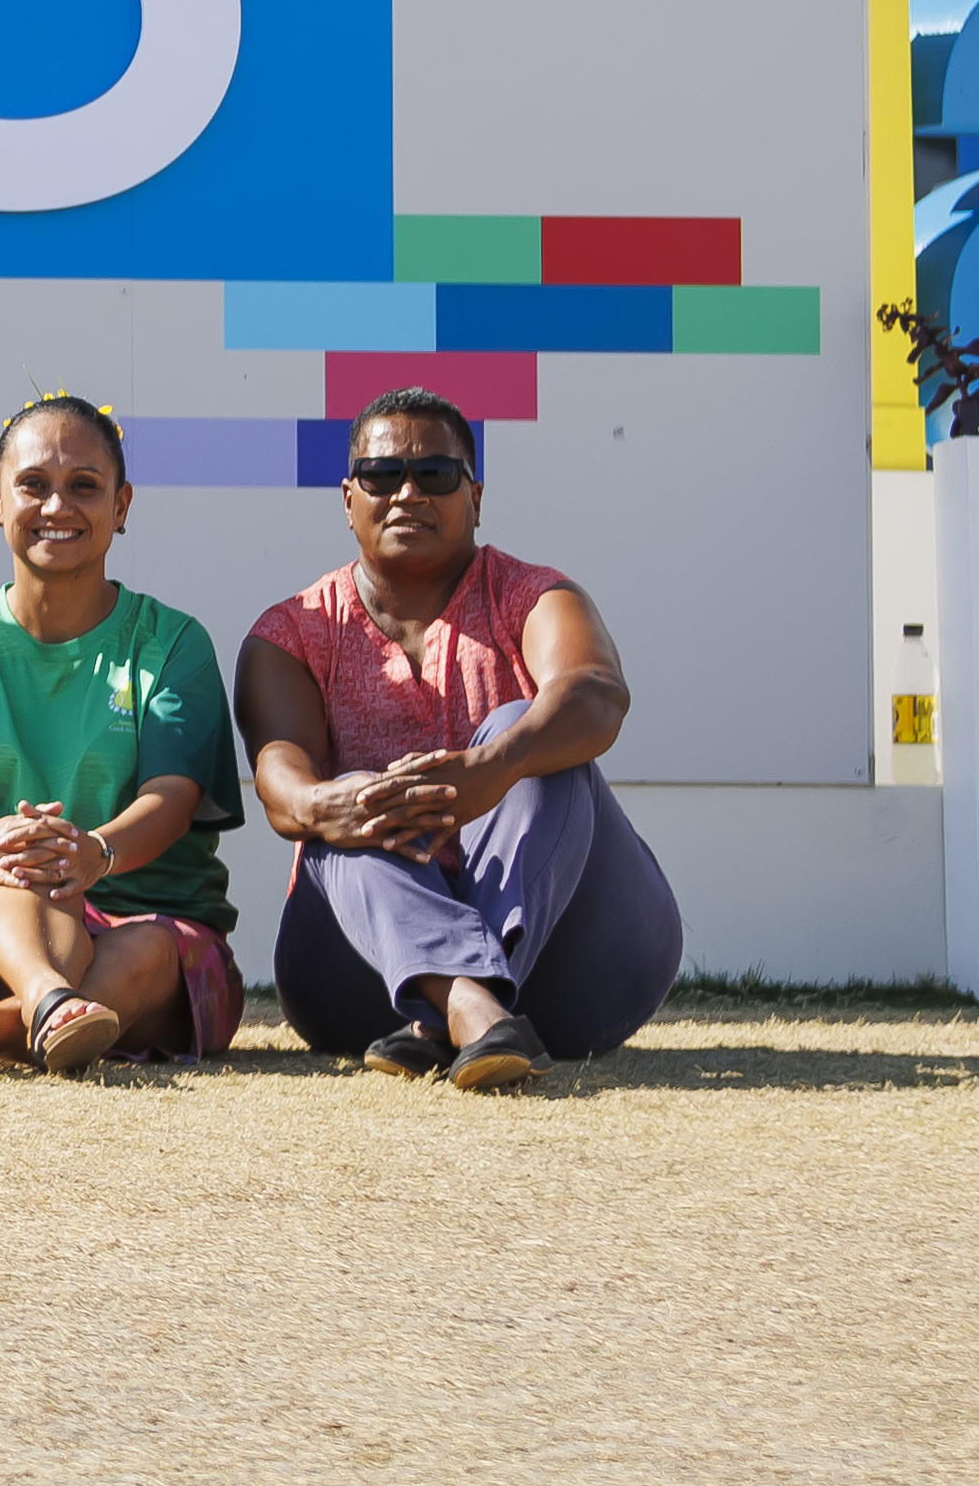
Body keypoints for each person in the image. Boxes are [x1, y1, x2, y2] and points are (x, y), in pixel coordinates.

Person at [236, 388, 685, 1087]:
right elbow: (279, 779)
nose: (407, 493)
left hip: (580, 972)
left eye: (434, 475)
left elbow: (596, 694)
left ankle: (448, 1007)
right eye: (383, 476)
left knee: (528, 730)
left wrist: (491, 767)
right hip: (356, 985)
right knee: (333, 804)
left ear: (474, 496)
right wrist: (338, 805)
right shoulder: (290, 632)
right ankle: (468, 1004)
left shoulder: (533, 594)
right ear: (348, 498)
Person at [0, 396, 247, 1078]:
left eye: (84, 485)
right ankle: (47, 999)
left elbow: (173, 795)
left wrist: (97, 853)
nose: (58, 505)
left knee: (142, 945)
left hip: (155, 932)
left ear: (121, 504)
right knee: (24, 873)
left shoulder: (172, 642)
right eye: (33, 485)